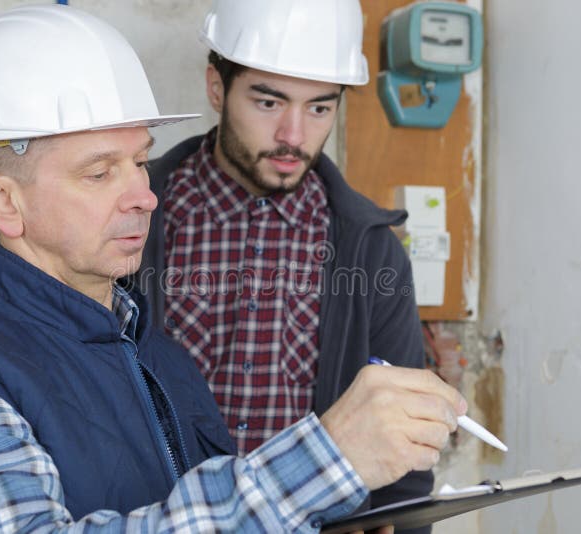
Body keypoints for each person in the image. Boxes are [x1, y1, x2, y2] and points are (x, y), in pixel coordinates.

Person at [0, 5, 466, 533]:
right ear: (2, 202)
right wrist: (326, 460)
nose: (145, 197)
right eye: (99, 173)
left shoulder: (155, 358)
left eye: (141, 162)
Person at [137, 0, 435, 523]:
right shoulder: (132, 221)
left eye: (319, 108)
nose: (293, 137)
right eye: (270, 103)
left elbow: (404, 466)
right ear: (216, 87)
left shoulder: (371, 250)